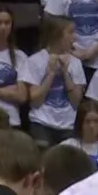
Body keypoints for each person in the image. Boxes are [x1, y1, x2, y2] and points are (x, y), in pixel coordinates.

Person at [21, 15, 87, 149]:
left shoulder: (76, 63)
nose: (74, 37)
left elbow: (76, 101)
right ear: (57, 35)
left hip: (67, 125)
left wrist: (65, 73)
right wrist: (51, 73)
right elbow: (35, 100)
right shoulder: (34, 61)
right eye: (70, 32)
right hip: (41, 123)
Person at [61, 99, 98, 169]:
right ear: (80, 123)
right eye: (87, 121)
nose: (92, 126)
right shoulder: (67, 147)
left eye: (96, 121)